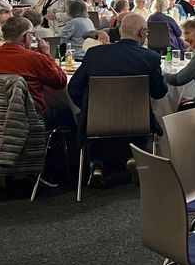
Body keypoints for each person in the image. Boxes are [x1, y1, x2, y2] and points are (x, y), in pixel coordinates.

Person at [68, 13, 168, 184]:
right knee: (140, 116)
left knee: (95, 123)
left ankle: (97, 164)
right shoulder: (149, 57)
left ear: (120, 30)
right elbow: (159, 92)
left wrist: (89, 107)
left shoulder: (94, 54)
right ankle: (135, 155)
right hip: (137, 121)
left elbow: (74, 88)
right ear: (142, 32)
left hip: (97, 121)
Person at [0, 17, 67, 118]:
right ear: (27, 36)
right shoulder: (35, 58)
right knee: (66, 114)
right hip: (30, 117)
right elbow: (60, 82)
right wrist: (47, 55)